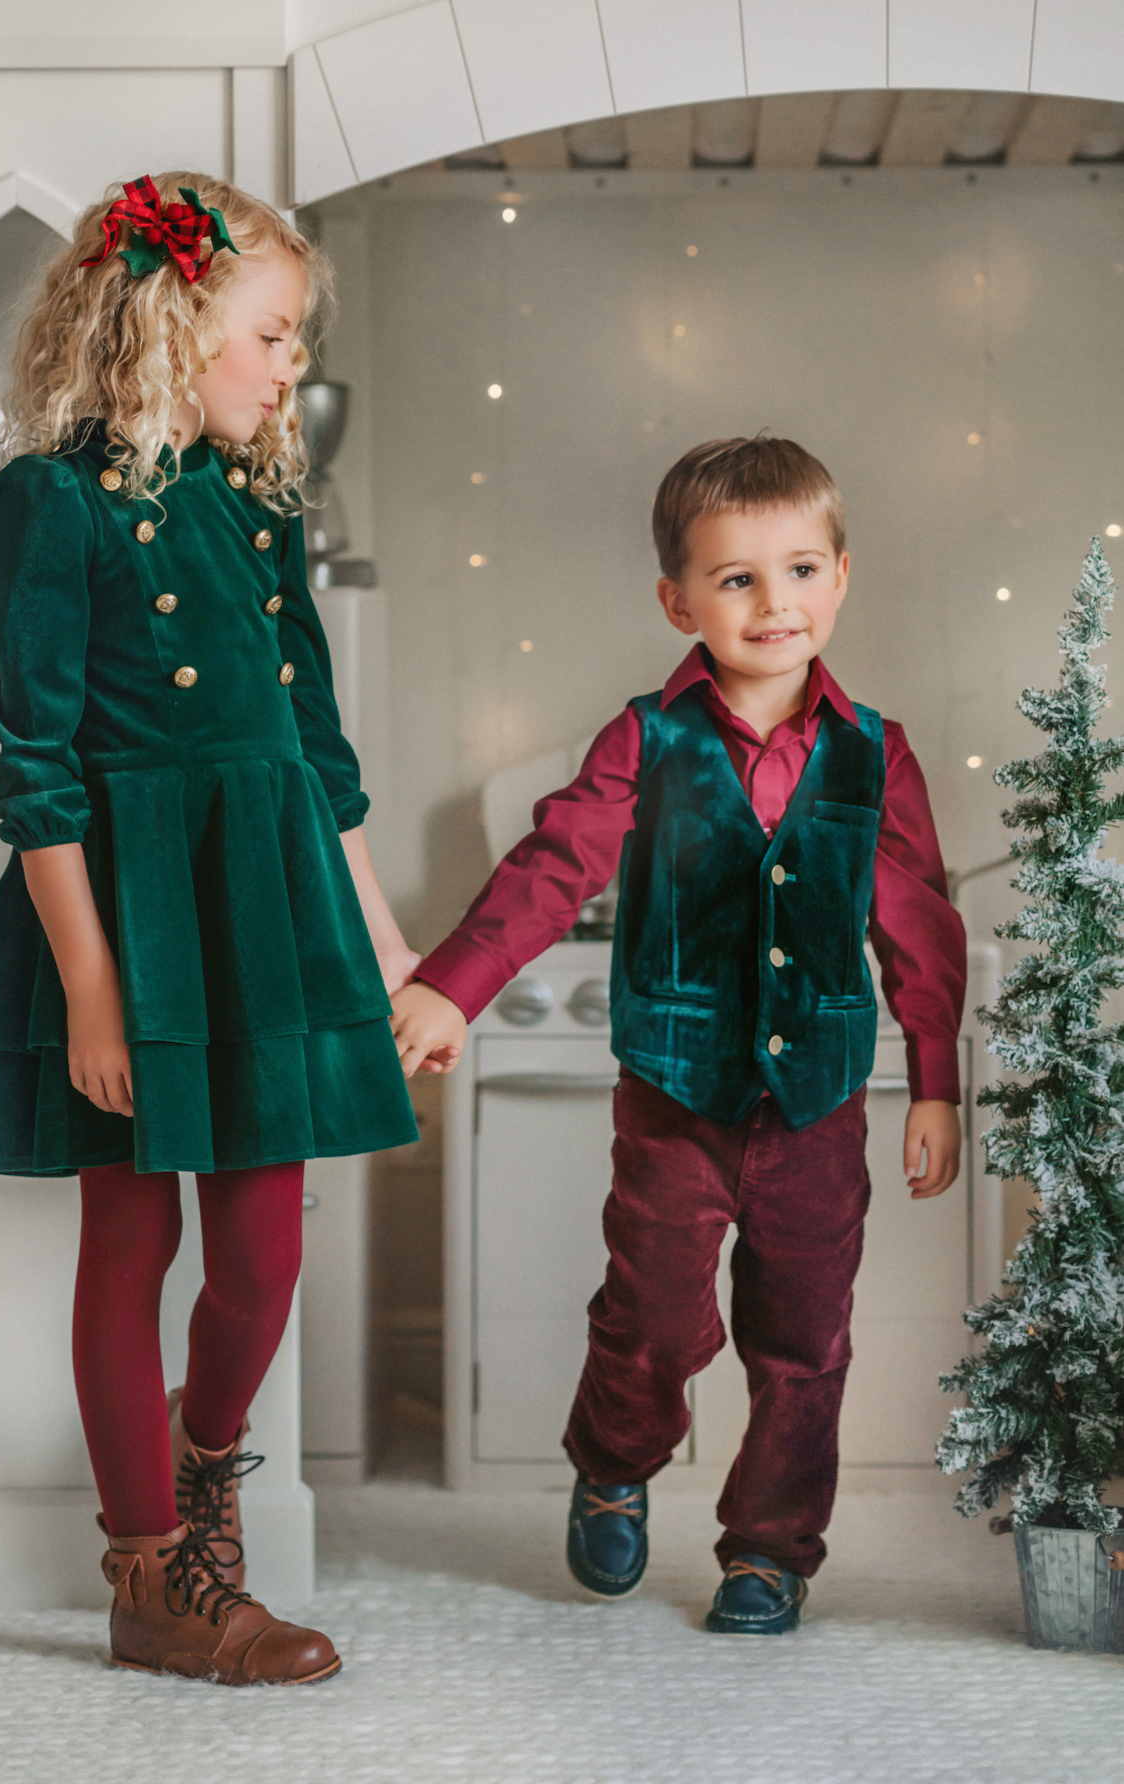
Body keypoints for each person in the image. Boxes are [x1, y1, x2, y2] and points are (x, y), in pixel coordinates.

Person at [0, 173, 420, 1684]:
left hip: (268, 909)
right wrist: (92, 988)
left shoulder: (263, 504)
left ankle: (201, 1485)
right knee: (131, 1240)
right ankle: (151, 1581)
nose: (292, 368)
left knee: (263, 1259)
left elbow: (320, 756)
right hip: (126, 909)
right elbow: (35, 768)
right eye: (275, 336)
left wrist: (393, 947)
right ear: (169, 321)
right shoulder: (48, 501)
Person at [390, 436, 966, 1635]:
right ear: (678, 599)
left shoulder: (876, 750)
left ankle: (768, 1550)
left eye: (800, 570)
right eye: (737, 578)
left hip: (813, 1096)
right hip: (675, 1088)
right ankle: (612, 1456)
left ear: (841, 578)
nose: (774, 602)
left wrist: (934, 1082)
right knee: (655, 1313)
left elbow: (918, 920)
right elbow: (556, 865)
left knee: (804, 1337)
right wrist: (454, 984)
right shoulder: (644, 740)